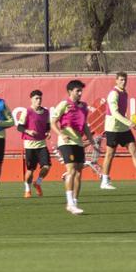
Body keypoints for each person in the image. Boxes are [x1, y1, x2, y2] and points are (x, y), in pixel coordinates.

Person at [100, 72, 136, 189]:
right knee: (110, 154)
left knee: (135, 152)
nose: (123, 82)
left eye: (125, 80)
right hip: (112, 128)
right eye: (121, 80)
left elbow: (122, 113)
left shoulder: (125, 93)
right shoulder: (113, 94)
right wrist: (130, 123)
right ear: (116, 80)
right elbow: (115, 113)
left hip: (124, 129)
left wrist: (129, 124)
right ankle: (104, 181)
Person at [50, 79, 95, 215]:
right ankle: (69, 203)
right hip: (66, 143)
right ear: (70, 91)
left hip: (78, 142)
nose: (80, 93)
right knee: (72, 170)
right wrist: (61, 134)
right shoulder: (64, 104)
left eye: (81, 91)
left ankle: (75, 202)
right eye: (77, 91)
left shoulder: (83, 106)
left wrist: (92, 141)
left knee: (79, 172)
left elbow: (85, 125)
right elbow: (53, 122)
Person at [16, 89, 52, 198]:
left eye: (40, 98)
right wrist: (28, 131)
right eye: (36, 98)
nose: (39, 100)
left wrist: (47, 132)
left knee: (46, 166)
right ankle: (27, 189)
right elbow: (19, 127)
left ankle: (38, 183)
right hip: (30, 145)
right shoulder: (27, 111)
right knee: (30, 170)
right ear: (31, 99)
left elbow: (47, 126)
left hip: (42, 144)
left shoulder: (46, 112)